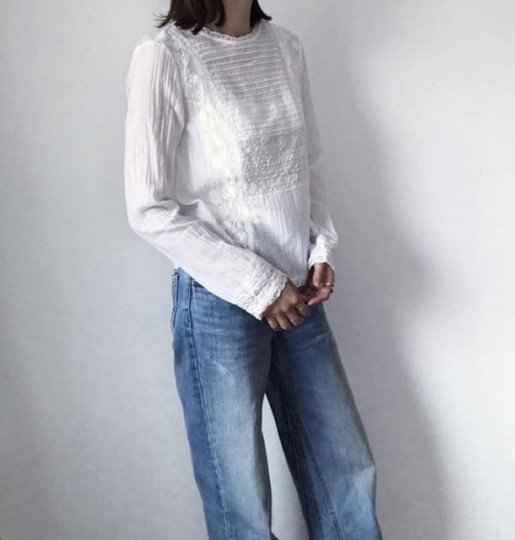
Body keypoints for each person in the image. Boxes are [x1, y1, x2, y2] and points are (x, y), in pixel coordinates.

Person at [124, 1, 383, 538]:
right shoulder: (166, 57)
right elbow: (148, 208)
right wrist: (259, 286)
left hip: (300, 294)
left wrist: (320, 247)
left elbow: (308, 163)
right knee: (240, 502)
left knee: (346, 472)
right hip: (219, 302)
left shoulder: (285, 48)